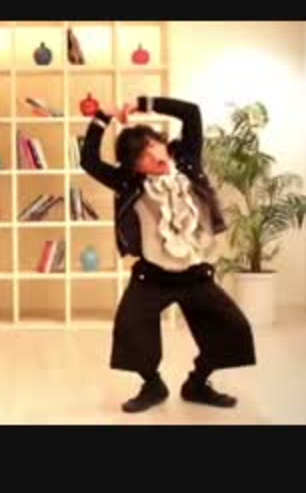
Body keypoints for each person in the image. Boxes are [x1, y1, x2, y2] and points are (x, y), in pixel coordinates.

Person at [80, 96, 256, 413]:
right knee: (130, 327)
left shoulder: (187, 162)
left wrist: (142, 102)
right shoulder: (129, 182)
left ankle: (197, 383)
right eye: (141, 157)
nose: (152, 157)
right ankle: (152, 385)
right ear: (134, 166)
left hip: (195, 273)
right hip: (152, 276)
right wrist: (103, 117)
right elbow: (89, 161)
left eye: (153, 146)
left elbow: (191, 113)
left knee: (232, 328)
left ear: (162, 143)